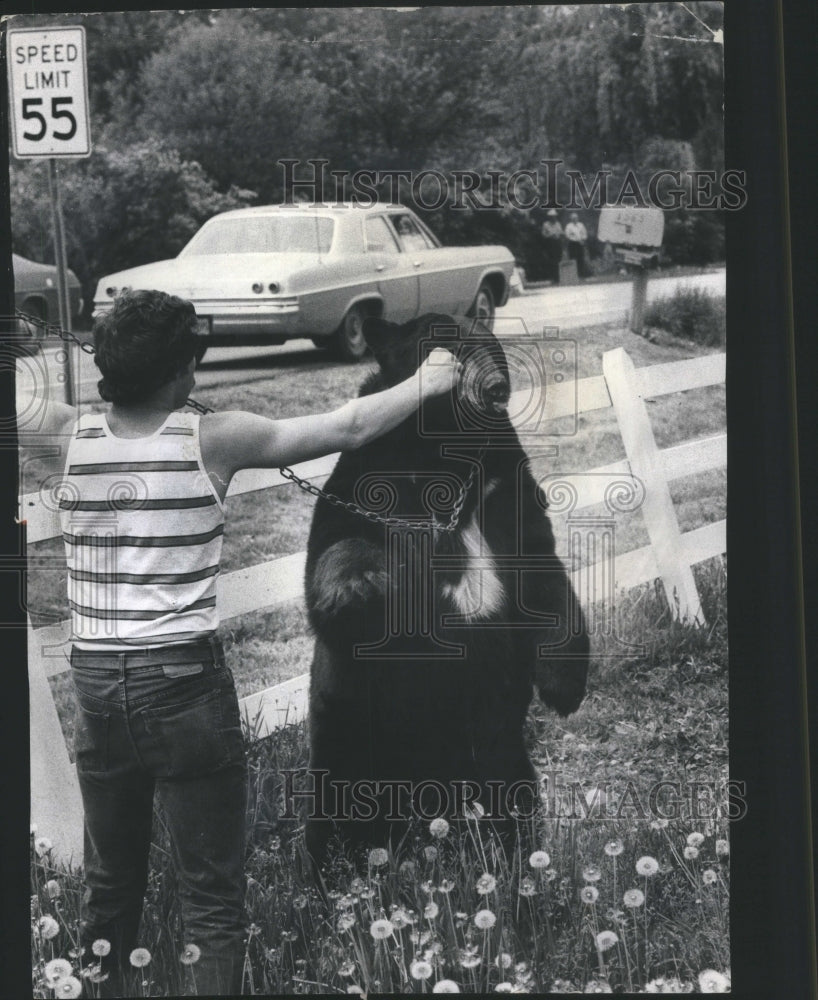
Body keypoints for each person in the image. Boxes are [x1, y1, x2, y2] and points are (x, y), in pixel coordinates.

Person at [26, 289, 460, 996]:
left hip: (98, 686)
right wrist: (429, 379)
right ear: (179, 373)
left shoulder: (65, 435)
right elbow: (348, 426)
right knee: (211, 902)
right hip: (183, 685)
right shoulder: (214, 436)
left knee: (109, 885)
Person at [540, 208, 564, 284]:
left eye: (554, 216)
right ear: (549, 217)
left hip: (557, 243)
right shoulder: (546, 224)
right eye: (551, 216)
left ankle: (559, 277)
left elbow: (561, 232)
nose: (553, 217)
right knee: (552, 260)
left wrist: (559, 235)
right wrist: (550, 235)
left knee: (558, 259)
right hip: (550, 243)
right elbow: (543, 234)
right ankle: (553, 278)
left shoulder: (558, 224)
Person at [564, 211, 589, 278]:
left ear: (578, 218)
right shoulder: (568, 226)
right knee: (573, 258)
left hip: (580, 244)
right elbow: (567, 235)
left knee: (580, 258)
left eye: (576, 218)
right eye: (573, 218)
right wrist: (575, 238)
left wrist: (583, 239)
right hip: (572, 244)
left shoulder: (581, 225)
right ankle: (574, 275)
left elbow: (584, 234)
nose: (575, 219)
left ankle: (581, 274)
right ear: (571, 219)